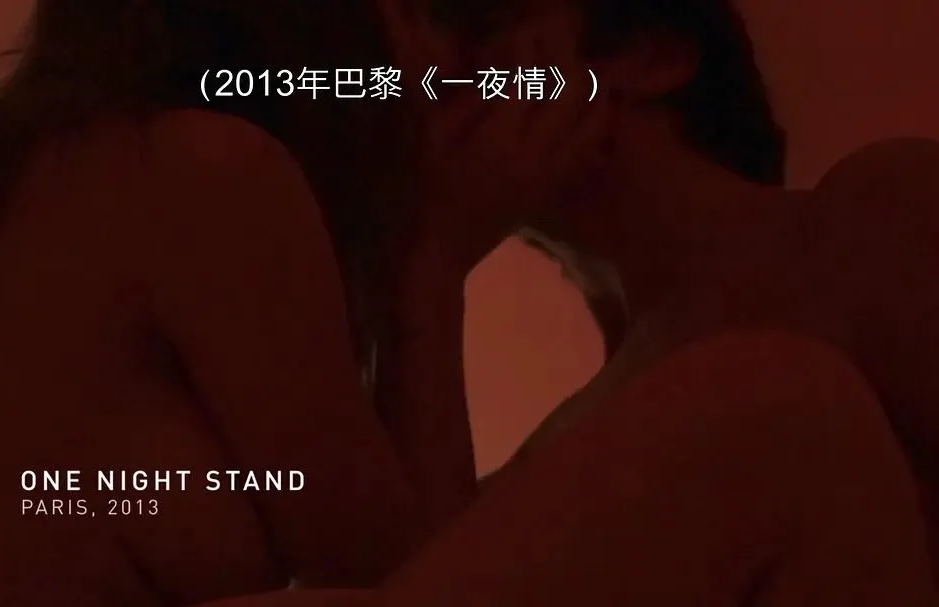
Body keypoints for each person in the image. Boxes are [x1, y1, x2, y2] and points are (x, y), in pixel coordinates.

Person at [0, 0, 596, 604]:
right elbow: (419, 584)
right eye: (412, 11)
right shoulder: (200, 170)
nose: (437, 62)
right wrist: (432, 265)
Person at [201, 0, 937, 605]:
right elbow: (422, 580)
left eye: (472, 20)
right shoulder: (559, 458)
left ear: (652, 57)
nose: (424, 73)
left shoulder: (867, 222)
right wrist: (424, 273)